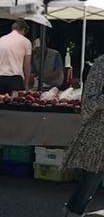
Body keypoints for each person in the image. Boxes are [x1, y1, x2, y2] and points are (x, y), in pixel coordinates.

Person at [61, 55, 104, 216]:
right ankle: (73, 211)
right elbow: (89, 103)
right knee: (91, 178)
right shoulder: (101, 64)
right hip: (100, 132)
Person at [0, 19, 32, 94]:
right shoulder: (26, 41)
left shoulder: (1, 40)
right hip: (15, 79)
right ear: (23, 29)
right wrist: (26, 84)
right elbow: (27, 65)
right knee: (16, 104)